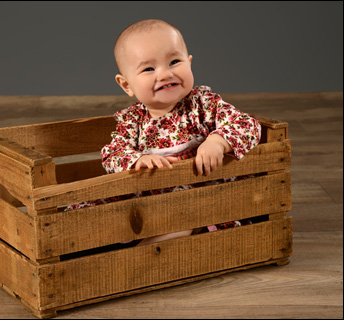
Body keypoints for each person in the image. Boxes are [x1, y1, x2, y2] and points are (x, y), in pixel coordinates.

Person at [67, 19, 261, 246]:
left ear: (189, 63)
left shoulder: (203, 104)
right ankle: (92, 243)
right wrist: (138, 160)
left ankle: (140, 257)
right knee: (100, 209)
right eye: (149, 68)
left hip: (197, 202)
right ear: (126, 85)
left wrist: (217, 142)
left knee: (176, 221)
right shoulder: (133, 121)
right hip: (146, 204)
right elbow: (112, 155)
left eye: (174, 61)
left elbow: (247, 124)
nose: (165, 74)